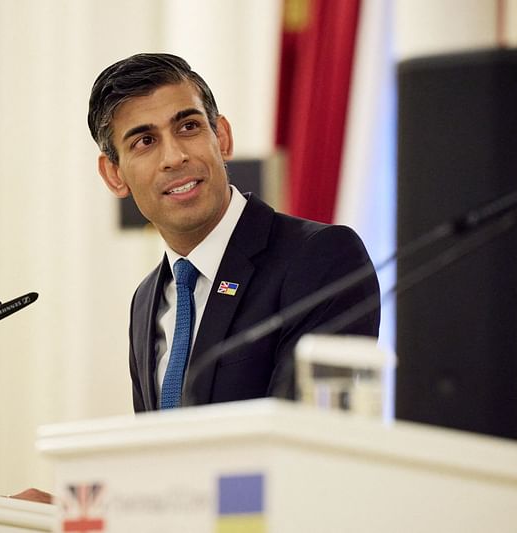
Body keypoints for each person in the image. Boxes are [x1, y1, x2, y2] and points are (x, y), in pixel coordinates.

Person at [89, 53, 380, 412]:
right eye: (145, 141)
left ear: (222, 138)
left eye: (189, 127)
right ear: (114, 175)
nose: (175, 156)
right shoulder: (146, 299)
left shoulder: (322, 257)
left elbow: (312, 436)